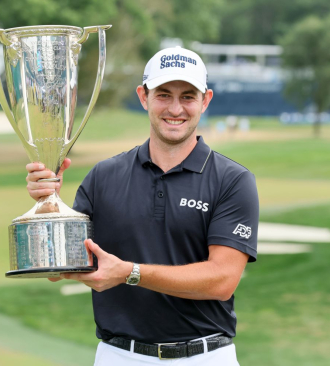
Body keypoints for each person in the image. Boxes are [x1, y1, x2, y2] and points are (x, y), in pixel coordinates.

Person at [26, 46, 259, 365]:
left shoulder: (233, 180)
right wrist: (48, 204)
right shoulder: (103, 176)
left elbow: (222, 280)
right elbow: (59, 270)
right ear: (143, 96)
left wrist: (130, 273)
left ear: (205, 101)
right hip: (119, 356)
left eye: (188, 96)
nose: (175, 108)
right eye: (163, 94)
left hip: (204, 356)